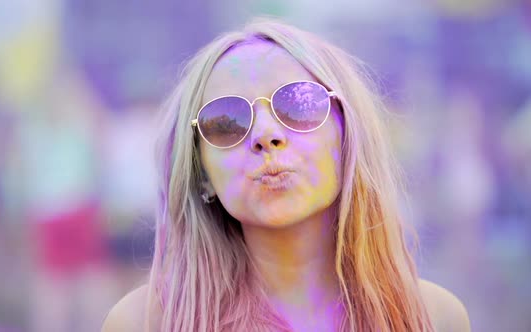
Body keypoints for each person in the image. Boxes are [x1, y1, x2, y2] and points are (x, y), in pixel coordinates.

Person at [102, 18, 470, 332]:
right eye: (226, 121)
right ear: (202, 174)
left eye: (298, 103)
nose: (265, 134)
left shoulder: (434, 317)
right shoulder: (145, 323)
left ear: (348, 138)